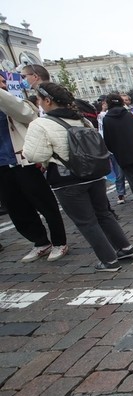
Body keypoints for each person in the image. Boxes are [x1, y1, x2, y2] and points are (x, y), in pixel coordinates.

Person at [23, 83, 133, 272]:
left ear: (48, 100)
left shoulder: (41, 124)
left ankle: (108, 260)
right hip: (94, 174)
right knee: (103, 214)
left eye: (40, 100)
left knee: (86, 221)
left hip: (66, 178)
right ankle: (125, 247)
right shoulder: (81, 119)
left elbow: (34, 154)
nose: (39, 103)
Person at [0, 74, 69, 263]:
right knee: (16, 208)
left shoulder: (16, 103)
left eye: (3, 81)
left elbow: (26, 114)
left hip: (23, 161)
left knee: (44, 203)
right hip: (3, 166)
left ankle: (59, 241)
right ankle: (40, 242)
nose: (4, 84)